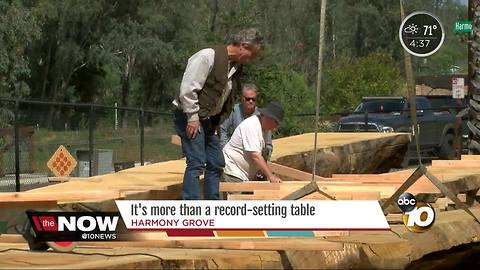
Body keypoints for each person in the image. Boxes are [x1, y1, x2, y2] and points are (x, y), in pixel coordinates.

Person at [172, 28, 264, 200]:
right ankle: (190, 208)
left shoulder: (236, 68)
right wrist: (192, 118)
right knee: (196, 162)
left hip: (208, 120)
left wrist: (215, 124)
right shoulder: (207, 56)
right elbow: (187, 89)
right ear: (243, 46)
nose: (251, 60)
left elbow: (222, 99)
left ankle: (212, 206)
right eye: (251, 55)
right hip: (189, 115)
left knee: (216, 161)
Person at [223, 101, 284, 183]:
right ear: (268, 117)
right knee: (237, 195)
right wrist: (270, 176)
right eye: (276, 123)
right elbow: (255, 156)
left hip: (241, 175)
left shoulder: (263, 129)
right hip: (233, 172)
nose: (275, 128)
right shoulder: (252, 125)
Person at [220, 84, 273, 160]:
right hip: (234, 153)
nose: (251, 101)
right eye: (248, 99)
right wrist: (225, 148)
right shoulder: (234, 110)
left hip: (254, 155)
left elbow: (268, 143)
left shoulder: (262, 116)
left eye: (253, 99)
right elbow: (222, 129)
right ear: (242, 99)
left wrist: (265, 154)